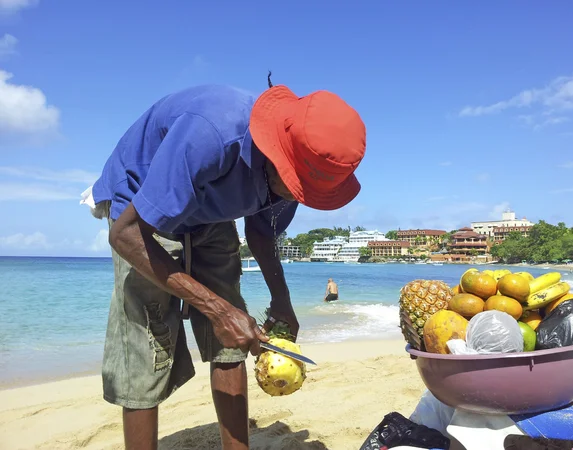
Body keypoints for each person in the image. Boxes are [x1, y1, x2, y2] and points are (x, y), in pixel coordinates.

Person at [82, 73, 366, 450]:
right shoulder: (210, 134)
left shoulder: (302, 164)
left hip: (209, 210)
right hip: (140, 208)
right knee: (147, 344)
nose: (301, 196)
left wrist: (281, 300)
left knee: (233, 338)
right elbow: (125, 236)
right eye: (297, 186)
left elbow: (263, 233)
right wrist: (216, 310)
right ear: (276, 154)